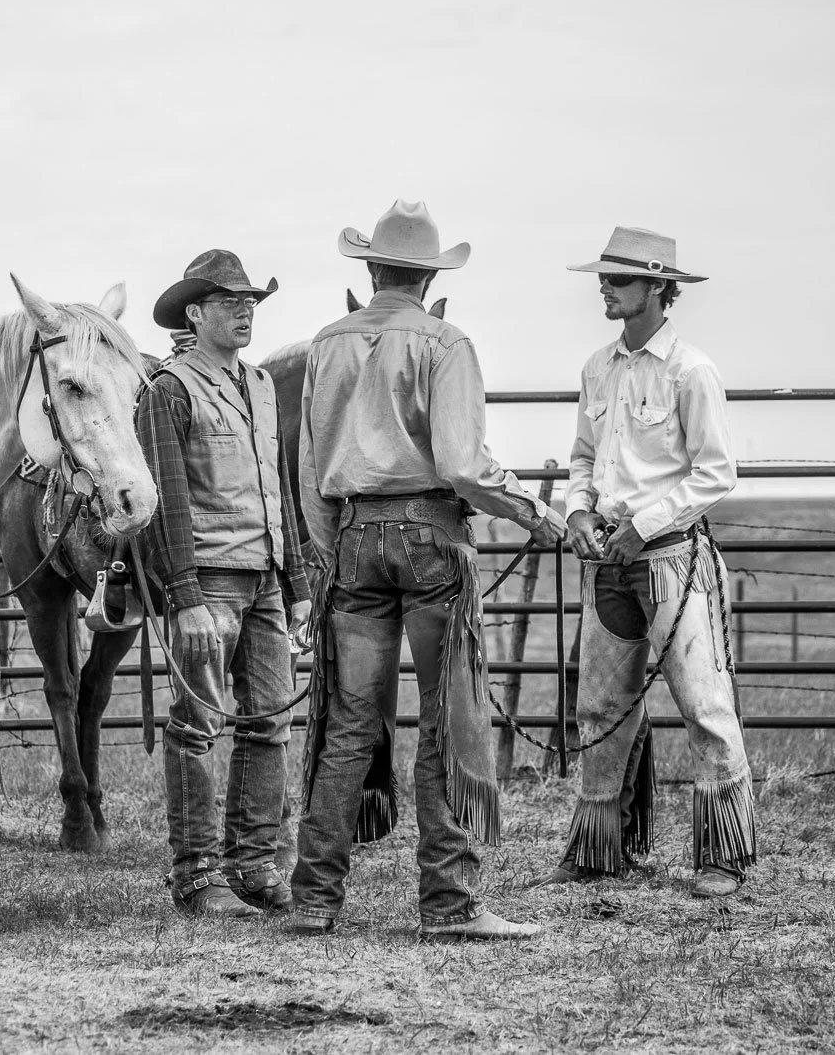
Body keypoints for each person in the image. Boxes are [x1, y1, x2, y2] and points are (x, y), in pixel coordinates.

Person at [290, 200, 566, 941]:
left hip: (352, 541)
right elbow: (462, 464)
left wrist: (327, 557)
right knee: (447, 717)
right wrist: (532, 512)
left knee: (348, 720)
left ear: (372, 268)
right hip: (430, 539)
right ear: (429, 277)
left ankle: (316, 894)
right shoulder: (446, 343)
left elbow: (311, 467)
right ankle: (448, 900)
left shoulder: (328, 343)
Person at [533, 225, 753, 899]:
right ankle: (600, 847)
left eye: (619, 280)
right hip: (613, 561)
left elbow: (717, 473)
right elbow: (581, 455)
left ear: (659, 287)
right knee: (599, 706)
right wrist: (576, 510)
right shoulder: (597, 369)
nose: (605, 288)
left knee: (704, 701)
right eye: (604, 278)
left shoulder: (691, 371)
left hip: (671, 561)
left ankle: (724, 855)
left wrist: (645, 524)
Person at [137, 249, 313, 917]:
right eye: (230, 301)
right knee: (198, 725)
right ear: (195, 312)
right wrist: (183, 598)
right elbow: (169, 502)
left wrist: (297, 584)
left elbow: (281, 489)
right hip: (208, 578)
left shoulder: (261, 385)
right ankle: (197, 875)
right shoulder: (169, 390)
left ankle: (255, 865)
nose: (245, 311)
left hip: (266, 577)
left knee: (270, 721)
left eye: (251, 302)